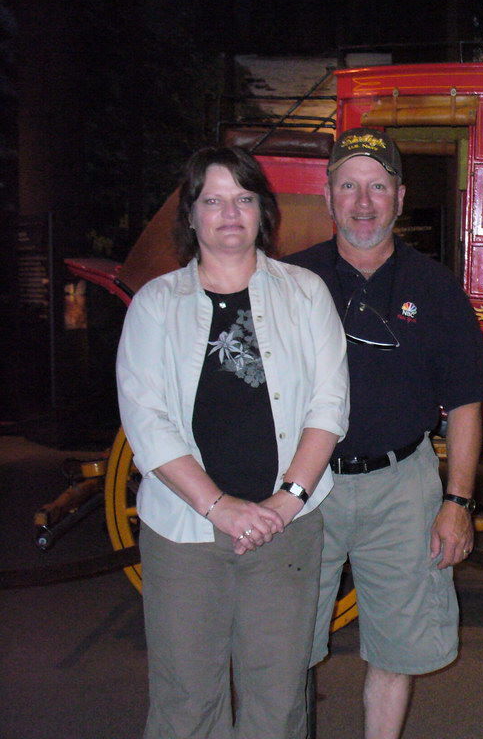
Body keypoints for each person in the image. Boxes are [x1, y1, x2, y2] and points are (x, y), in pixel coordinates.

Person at [116, 146, 350, 738]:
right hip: (184, 531)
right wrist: (218, 507)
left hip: (286, 530)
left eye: (243, 199)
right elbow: (146, 421)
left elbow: (330, 406)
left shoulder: (306, 294)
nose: (229, 213)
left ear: (262, 212)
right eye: (211, 200)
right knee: (185, 700)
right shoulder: (154, 306)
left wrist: (286, 499)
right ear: (189, 216)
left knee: (278, 700)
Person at [287, 127, 483, 739]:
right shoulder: (290, 282)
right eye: (348, 185)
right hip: (305, 487)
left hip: (403, 488)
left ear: (400, 197)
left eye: (377, 186)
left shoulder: (435, 288)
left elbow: (464, 405)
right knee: (287, 645)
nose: (362, 201)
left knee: (398, 647)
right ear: (328, 196)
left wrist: (456, 504)